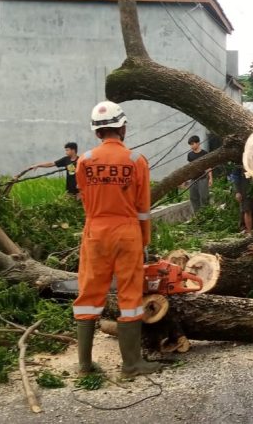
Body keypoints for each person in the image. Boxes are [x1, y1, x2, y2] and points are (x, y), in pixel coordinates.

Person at [73, 101, 160, 378]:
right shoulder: (136, 161)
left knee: (88, 295)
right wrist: (144, 241)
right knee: (130, 296)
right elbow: (143, 208)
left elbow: (85, 198)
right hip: (127, 232)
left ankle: (85, 366)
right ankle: (131, 365)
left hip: (95, 232)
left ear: (97, 132)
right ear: (122, 127)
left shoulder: (84, 161)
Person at [185, 135, 212, 214]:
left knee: (204, 197)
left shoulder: (204, 153)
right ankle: (197, 215)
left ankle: (206, 214)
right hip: (193, 179)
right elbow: (189, 167)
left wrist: (210, 178)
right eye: (190, 144)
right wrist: (186, 179)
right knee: (193, 197)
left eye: (193, 144)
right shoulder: (190, 155)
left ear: (198, 143)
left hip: (203, 178)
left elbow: (208, 166)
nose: (191, 146)